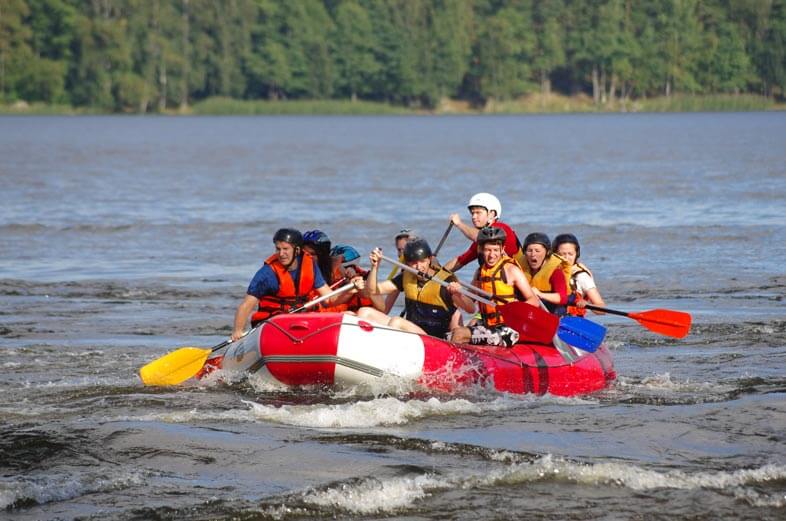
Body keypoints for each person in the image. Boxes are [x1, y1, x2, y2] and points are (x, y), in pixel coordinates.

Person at [231, 228, 363, 341]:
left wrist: (350, 291)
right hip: (272, 322)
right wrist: (237, 331)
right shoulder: (267, 273)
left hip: (299, 321)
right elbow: (246, 305)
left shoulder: (310, 266)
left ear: (297, 250)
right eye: (278, 249)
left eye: (285, 249)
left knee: (349, 316)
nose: (281, 254)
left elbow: (329, 299)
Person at [357, 238, 475, 338]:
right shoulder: (406, 276)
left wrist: (459, 294)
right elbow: (371, 291)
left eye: (422, 261)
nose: (419, 267)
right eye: (414, 263)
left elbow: (471, 309)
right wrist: (374, 267)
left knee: (396, 322)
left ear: (429, 259)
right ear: (408, 264)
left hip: (434, 340)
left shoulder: (445, 281)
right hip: (412, 333)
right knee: (365, 312)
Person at [450, 227, 539, 347]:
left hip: (509, 329)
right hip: (488, 326)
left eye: (496, 250)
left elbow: (533, 300)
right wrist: (457, 294)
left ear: (503, 249)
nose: (492, 255)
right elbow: (470, 308)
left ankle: (455, 365)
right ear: (481, 249)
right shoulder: (480, 273)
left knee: (459, 335)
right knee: (449, 335)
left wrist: (516, 310)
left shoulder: (511, 270)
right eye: (488, 250)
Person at [443, 193, 522, 272]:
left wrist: (459, 223)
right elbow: (459, 261)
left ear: (491, 214)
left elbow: (478, 235)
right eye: (472, 213)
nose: (473, 217)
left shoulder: (501, 228)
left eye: (478, 213)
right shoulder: (482, 242)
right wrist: (439, 274)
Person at [552, 233, 606, 315]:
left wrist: (587, 304)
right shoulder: (547, 271)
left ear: (576, 254)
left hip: (571, 321)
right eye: (562, 254)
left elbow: (601, 309)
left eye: (570, 254)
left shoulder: (581, 276)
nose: (566, 258)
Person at [520, 232, 571, 315]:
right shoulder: (519, 267)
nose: (533, 254)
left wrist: (540, 294)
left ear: (547, 252)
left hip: (552, 313)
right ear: (525, 253)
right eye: (529, 251)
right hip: (529, 312)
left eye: (537, 251)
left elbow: (563, 298)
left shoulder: (556, 271)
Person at [325, 244, 385, 313]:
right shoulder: (327, 281)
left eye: (352, 266)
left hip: (364, 316)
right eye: (346, 266)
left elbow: (382, 308)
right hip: (343, 316)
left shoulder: (363, 278)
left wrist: (374, 267)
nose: (350, 269)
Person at [384, 228, 416, 312]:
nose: (402, 254)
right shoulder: (402, 274)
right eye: (399, 250)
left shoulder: (428, 267)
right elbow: (386, 307)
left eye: (405, 249)